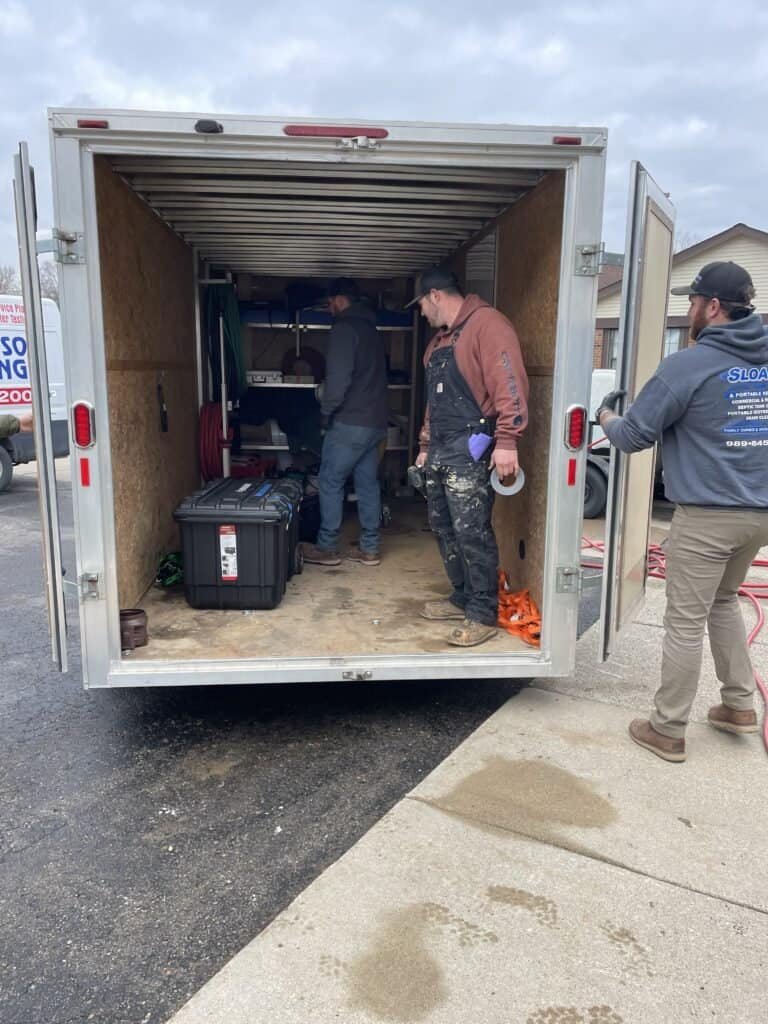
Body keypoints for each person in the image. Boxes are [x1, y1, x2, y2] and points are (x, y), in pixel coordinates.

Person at [597, 261, 768, 763]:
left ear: (712, 307)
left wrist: (606, 413)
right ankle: (739, 705)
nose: (688, 311)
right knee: (723, 600)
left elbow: (631, 437)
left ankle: (667, 728)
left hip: (710, 514)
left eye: (692, 302)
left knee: (685, 621)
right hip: (760, 513)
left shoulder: (687, 365)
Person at [411, 265, 528, 647]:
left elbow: (509, 384)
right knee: (444, 527)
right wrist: (425, 447)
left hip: (473, 443)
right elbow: (434, 403)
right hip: (442, 447)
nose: (422, 314)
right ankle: (461, 596)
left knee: (472, 531)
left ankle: (483, 613)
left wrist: (508, 440)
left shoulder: (488, 326)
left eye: (422, 306)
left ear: (435, 296)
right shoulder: (439, 343)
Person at [301, 277, 388, 567]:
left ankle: (326, 546)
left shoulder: (343, 329)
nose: (328, 309)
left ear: (339, 300)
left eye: (329, 303)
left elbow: (337, 381)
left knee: (329, 480)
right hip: (375, 422)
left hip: (350, 421)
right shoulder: (371, 329)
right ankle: (370, 548)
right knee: (366, 483)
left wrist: (326, 413)